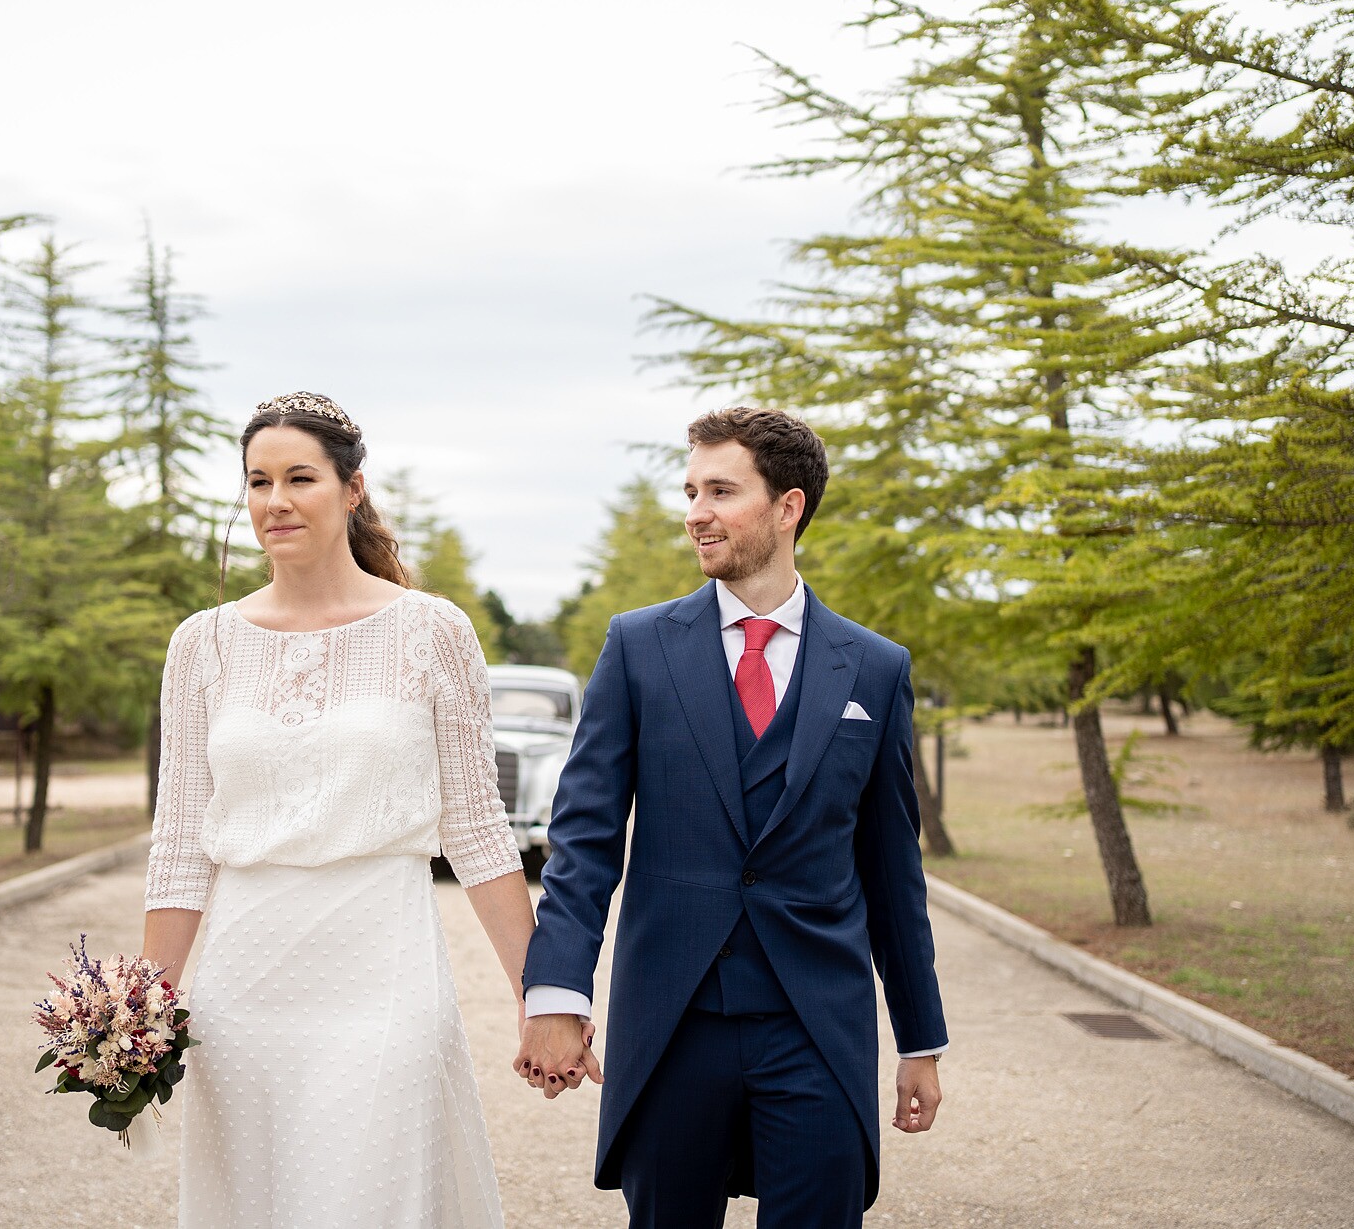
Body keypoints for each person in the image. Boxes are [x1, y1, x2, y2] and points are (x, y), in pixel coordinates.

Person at [517, 407, 948, 1228]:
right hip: (673, 1023)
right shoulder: (638, 648)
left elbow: (894, 872)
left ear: (788, 507)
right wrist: (557, 993)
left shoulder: (876, 668)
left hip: (816, 1026)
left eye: (720, 490)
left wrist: (919, 1039)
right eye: (690, 491)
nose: (695, 513)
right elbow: (585, 841)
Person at [141, 391, 536, 1228]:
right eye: (257, 481)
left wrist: (544, 998)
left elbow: (477, 829)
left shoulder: (433, 631)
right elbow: (179, 845)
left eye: (299, 478)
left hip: (381, 970)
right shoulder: (201, 644)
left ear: (353, 489)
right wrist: (139, 1014)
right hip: (243, 990)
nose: (274, 500)